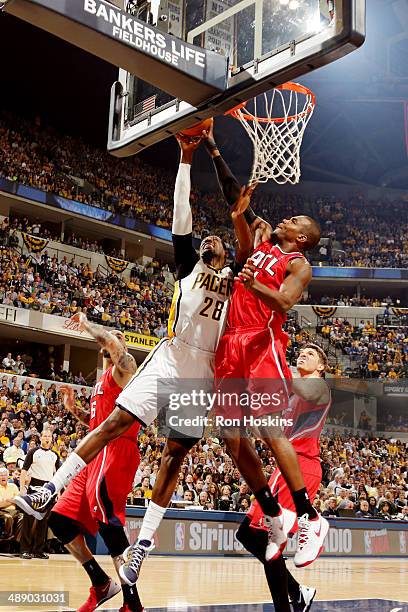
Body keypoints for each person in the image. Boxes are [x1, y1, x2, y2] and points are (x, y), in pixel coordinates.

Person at [13, 135, 240, 586]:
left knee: (175, 455)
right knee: (115, 421)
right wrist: (186, 156)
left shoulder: (234, 283)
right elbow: (182, 214)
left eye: (217, 239)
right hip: (172, 357)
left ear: (226, 254)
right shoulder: (187, 267)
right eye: (206, 238)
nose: (209, 237)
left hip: (204, 371)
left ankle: (143, 547)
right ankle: (49, 492)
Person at [203, 123, 327, 566]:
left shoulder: (297, 263)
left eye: (293, 220)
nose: (284, 219)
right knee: (229, 435)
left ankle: (310, 517)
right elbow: (235, 196)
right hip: (231, 343)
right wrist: (213, 147)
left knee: (271, 428)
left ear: (301, 238)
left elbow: (286, 303)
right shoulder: (260, 239)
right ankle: (274, 515)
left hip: (261, 341)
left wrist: (254, 286)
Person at [17, 321, 143, 612]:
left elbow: (114, 346)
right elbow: (95, 423)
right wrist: (75, 409)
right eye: (114, 338)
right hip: (93, 453)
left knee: (110, 525)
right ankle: (100, 582)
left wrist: (87, 324)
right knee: (59, 520)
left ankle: (132, 603)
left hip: (117, 449)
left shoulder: (126, 368)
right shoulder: (101, 382)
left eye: (119, 338)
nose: (116, 341)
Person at [236, 344, 331, 612]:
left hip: (301, 466)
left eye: (311, 354)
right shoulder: (291, 396)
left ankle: (287, 605)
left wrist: (267, 366)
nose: (303, 354)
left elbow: (298, 386)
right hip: (286, 468)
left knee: (270, 540)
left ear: (322, 367)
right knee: (247, 534)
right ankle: (296, 592)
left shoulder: (319, 387)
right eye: (301, 352)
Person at [19, 429, 60, 559]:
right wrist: (22, 488)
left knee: (43, 522)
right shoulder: (33, 452)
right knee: (28, 520)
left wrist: (58, 492)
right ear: (40, 438)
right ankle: (24, 549)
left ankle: (38, 550)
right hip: (34, 489)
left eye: (49, 436)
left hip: (48, 490)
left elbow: (58, 475)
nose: (47, 438)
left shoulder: (55, 455)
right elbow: (24, 470)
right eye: (45, 436)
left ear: (51, 439)